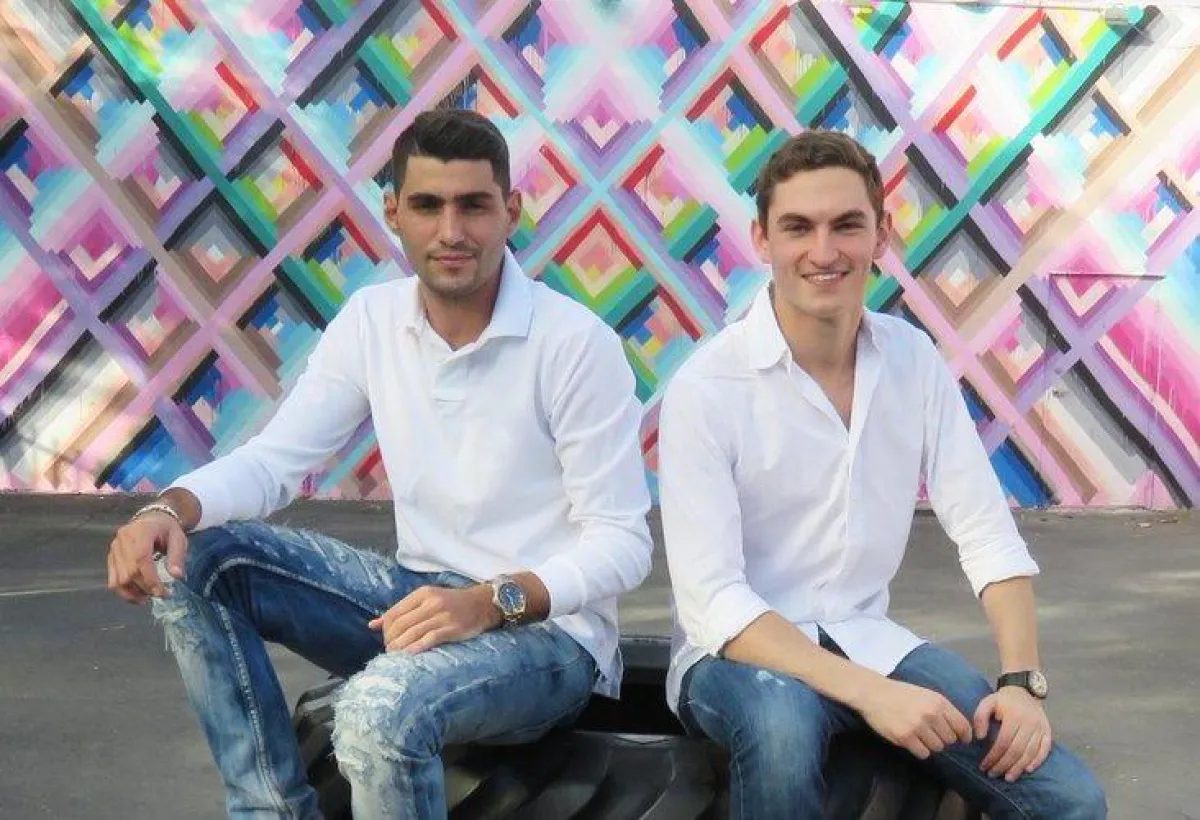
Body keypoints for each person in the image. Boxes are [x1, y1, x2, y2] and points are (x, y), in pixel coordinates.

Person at [105, 108, 654, 820]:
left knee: (377, 710)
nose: (451, 232)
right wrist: (164, 509)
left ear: (511, 211)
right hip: (418, 599)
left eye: (473, 206)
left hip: (546, 639)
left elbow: (622, 542)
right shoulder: (373, 320)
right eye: (427, 206)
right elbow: (275, 461)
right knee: (192, 560)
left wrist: (492, 601)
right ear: (394, 212)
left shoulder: (575, 344)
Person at [657, 130, 1107, 819]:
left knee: (1067, 798)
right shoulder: (707, 388)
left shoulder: (911, 361)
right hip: (737, 659)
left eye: (847, 225)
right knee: (782, 734)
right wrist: (871, 694)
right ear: (762, 240)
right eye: (798, 227)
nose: (824, 251)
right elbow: (714, 602)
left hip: (870, 639)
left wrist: (1021, 682)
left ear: (881, 235)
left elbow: (986, 533)